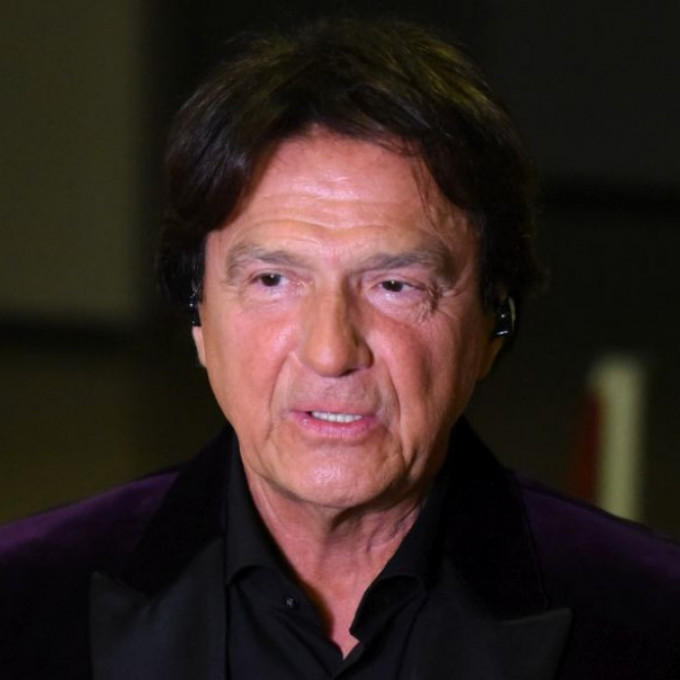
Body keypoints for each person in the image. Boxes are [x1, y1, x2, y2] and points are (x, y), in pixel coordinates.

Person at [1, 17, 679, 680]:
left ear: (490, 327)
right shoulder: (21, 601)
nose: (330, 352)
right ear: (198, 317)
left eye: (395, 285)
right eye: (273, 280)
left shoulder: (653, 619)